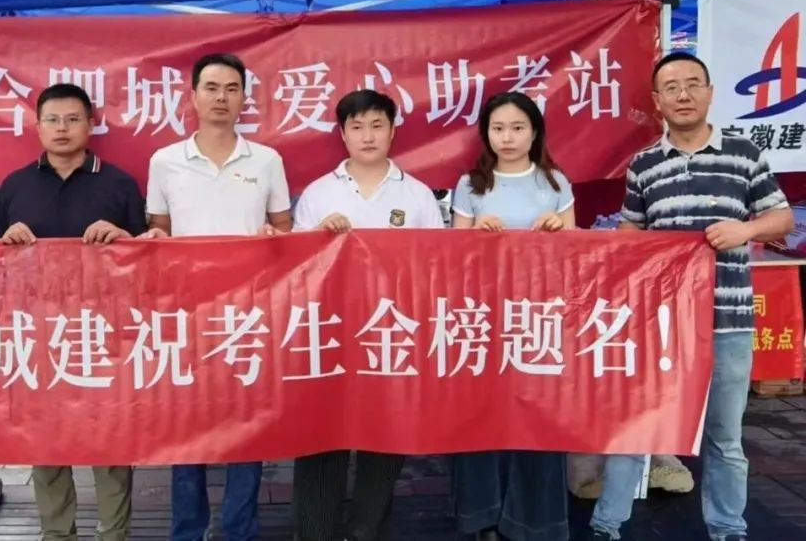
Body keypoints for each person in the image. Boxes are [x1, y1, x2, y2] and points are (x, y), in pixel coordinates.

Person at [589, 53, 793, 541]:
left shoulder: (744, 154)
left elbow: (782, 219)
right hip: (659, 324)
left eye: (693, 84)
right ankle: (606, 525)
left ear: (709, 92)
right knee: (636, 427)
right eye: (672, 87)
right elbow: (630, 234)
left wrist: (746, 228)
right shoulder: (644, 165)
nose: (683, 95)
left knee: (724, 437)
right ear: (657, 101)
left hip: (727, 321)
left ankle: (728, 528)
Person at [0, 83, 145, 541]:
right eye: (52, 120)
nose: (62, 128)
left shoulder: (118, 182)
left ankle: (114, 533)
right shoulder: (15, 185)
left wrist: (121, 237)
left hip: (105, 331)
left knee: (111, 441)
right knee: (47, 441)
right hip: (37, 331)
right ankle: (57, 533)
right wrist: (7, 241)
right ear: (37, 127)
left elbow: (147, 257)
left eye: (73, 119)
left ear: (90, 125)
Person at [144, 53, 292, 541]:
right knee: (187, 431)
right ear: (192, 96)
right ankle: (188, 530)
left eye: (232, 88)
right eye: (211, 88)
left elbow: (284, 229)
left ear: (245, 97)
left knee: (248, 429)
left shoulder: (266, 160)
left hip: (250, 313)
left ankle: (239, 528)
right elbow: (159, 232)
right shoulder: (165, 161)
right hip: (185, 315)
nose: (221, 98)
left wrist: (274, 237)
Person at [290, 89, 444, 541]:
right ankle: (314, 533)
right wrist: (320, 237)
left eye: (377, 125)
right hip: (331, 333)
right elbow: (295, 268)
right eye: (357, 127)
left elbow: (436, 266)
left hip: (393, 336)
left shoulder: (417, 195)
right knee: (321, 440)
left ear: (393, 131)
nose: (368, 135)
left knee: (384, 442)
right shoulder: (319, 194)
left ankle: (365, 531)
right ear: (342, 134)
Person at [451, 92, 575, 541]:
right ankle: (482, 517)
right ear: (486, 133)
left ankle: (535, 520)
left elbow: (577, 256)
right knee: (480, 419)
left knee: (538, 422)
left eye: (518, 127)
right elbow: (453, 259)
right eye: (498, 128)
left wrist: (559, 231)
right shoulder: (470, 185)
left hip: (540, 319)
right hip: (483, 320)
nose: (507, 137)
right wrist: (476, 236)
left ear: (534, 132)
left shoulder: (555, 182)